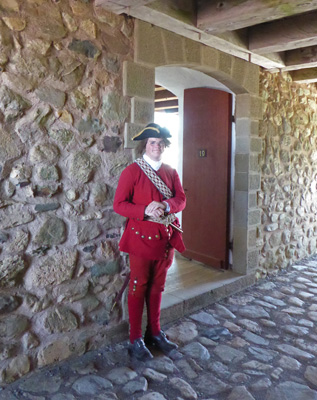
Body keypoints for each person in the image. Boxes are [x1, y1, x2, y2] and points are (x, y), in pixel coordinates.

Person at [113, 122, 186, 361]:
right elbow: (119, 205)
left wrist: (166, 205)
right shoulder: (132, 172)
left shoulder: (171, 172)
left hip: (165, 239)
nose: (157, 146)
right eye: (153, 142)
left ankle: (154, 332)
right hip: (141, 240)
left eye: (161, 143)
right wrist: (145, 210)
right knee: (139, 286)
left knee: (158, 287)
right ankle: (135, 339)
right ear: (146, 145)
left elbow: (181, 200)